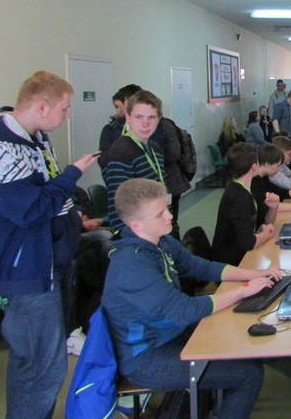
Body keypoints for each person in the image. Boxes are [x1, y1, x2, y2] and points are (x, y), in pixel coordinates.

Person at [102, 178, 280, 418]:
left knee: (240, 340)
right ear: (136, 225)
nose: (169, 216)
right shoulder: (131, 266)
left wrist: (253, 274)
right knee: (249, 375)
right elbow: (184, 309)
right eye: (159, 214)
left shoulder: (161, 241)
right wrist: (243, 291)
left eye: (166, 208)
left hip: (170, 331)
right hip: (146, 357)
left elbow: (201, 267)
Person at [0, 70, 97, 418]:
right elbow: (32, 209)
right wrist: (72, 175)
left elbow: (50, 194)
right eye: (64, 109)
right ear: (42, 107)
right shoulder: (2, 148)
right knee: (39, 368)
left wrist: (73, 213)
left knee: (47, 362)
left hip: (52, 261)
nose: (67, 116)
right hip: (27, 271)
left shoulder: (37, 139)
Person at [102, 90, 167, 234]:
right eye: (139, 117)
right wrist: (129, 240)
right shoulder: (121, 152)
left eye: (151, 117)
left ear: (159, 118)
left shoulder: (155, 148)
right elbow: (119, 206)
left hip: (156, 229)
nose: (145, 124)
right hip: (136, 236)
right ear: (128, 117)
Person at [212, 144, 278, 266]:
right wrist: (269, 233)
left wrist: (273, 208)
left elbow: (265, 222)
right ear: (254, 167)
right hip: (231, 261)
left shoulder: (243, 188)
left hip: (239, 253)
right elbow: (248, 243)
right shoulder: (239, 197)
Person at [97, 83, 142, 167]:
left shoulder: (149, 127)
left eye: (123, 106)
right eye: (116, 106)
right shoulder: (110, 130)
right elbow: (103, 160)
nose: (120, 110)